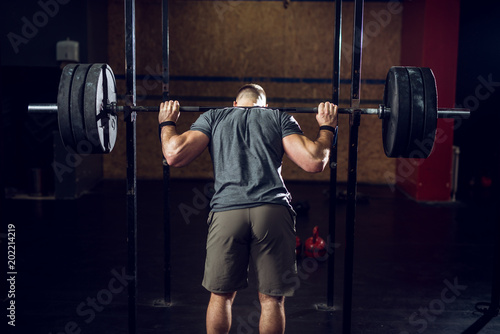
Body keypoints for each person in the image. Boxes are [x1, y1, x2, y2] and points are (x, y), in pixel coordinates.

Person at [158, 84, 337, 334]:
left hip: (227, 213)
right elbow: (315, 161)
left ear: (235, 104)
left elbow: (173, 155)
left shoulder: (213, 117)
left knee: (220, 297)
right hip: (272, 212)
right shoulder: (277, 117)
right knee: (272, 299)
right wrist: (327, 126)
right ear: (264, 105)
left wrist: (167, 122)